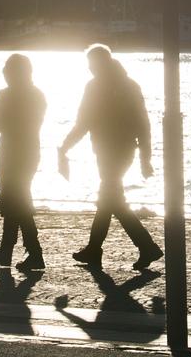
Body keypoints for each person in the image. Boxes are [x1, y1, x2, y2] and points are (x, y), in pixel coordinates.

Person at [57, 44, 163, 270]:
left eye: (92, 64)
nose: (90, 69)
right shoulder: (124, 85)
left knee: (110, 199)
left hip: (118, 151)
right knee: (109, 201)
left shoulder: (108, 87)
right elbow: (141, 124)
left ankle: (144, 246)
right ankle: (98, 250)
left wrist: (146, 158)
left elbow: (85, 122)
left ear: (103, 62)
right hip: (111, 151)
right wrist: (65, 146)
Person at [0, 53, 47, 271]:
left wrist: (0, 122)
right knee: (17, 201)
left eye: (7, 71)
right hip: (30, 152)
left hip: (10, 153)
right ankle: (8, 250)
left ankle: (33, 252)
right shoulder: (38, 95)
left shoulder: (6, 95)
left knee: (16, 202)